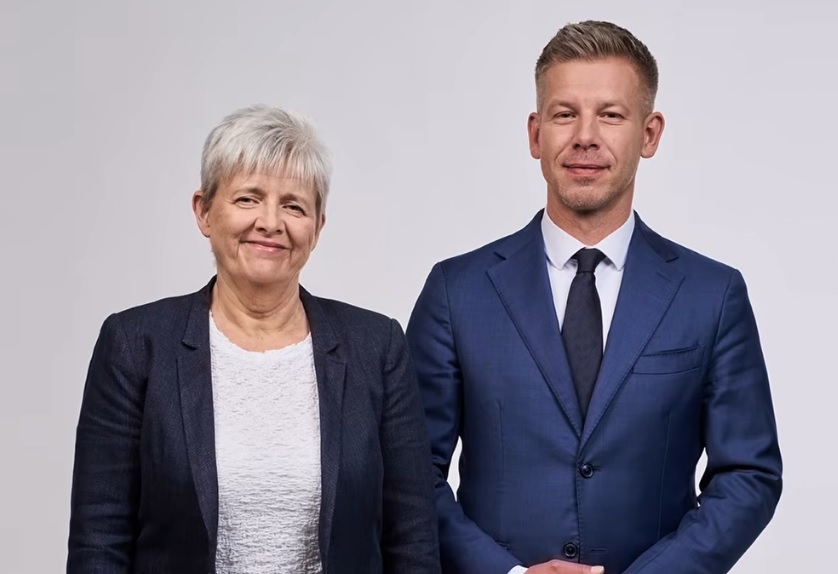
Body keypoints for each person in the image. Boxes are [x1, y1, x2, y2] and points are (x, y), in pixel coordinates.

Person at [406, 20, 782, 574]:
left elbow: (749, 475)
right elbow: (411, 474)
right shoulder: (456, 291)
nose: (585, 136)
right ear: (535, 134)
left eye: (610, 115)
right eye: (565, 114)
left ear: (649, 134)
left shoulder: (713, 295)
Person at [67, 105, 440, 574]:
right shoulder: (135, 345)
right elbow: (99, 544)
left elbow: (413, 542)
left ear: (317, 227)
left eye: (294, 205)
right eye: (248, 199)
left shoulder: (376, 347)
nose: (270, 222)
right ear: (204, 211)